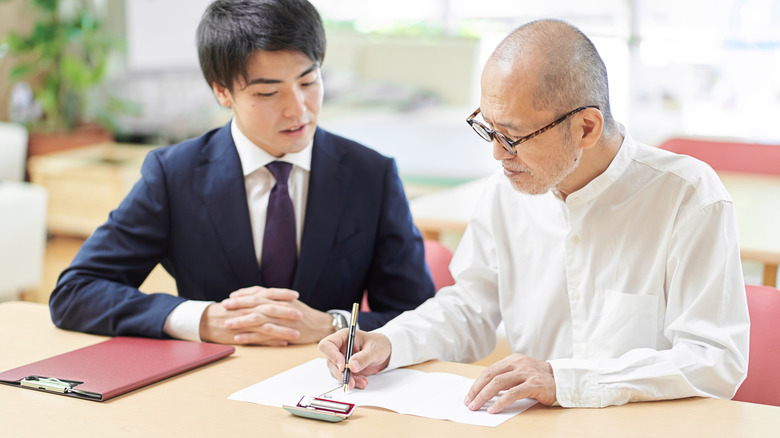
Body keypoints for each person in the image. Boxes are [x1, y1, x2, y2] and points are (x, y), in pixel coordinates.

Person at [320, 19, 749, 410]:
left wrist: (565, 379)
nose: (495, 153)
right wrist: (389, 342)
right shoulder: (507, 191)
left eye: (513, 136)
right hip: (530, 423)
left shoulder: (687, 196)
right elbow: (469, 308)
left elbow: (715, 359)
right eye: (488, 128)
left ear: (586, 128)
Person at [49, 0, 435, 346]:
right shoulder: (174, 175)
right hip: (213, 386)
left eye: (309, 81)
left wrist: (335, 325)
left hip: (333, 391)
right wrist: (201, 319)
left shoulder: (371, 175)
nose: (298, 109)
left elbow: (421, 317)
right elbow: (75, 292)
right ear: (222, 91)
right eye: (268, 93)